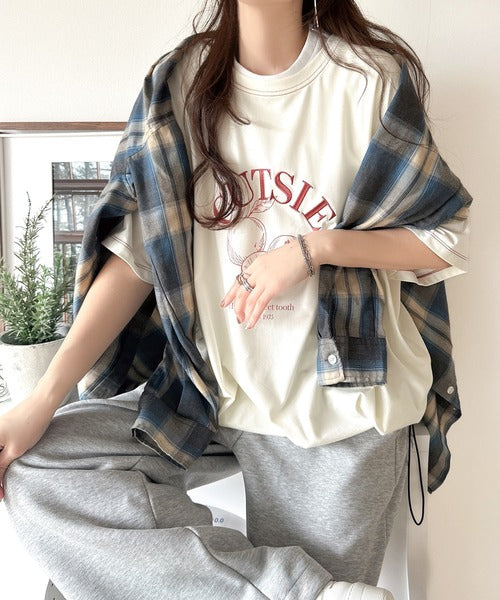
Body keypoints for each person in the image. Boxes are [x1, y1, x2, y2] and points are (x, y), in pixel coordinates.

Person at [0, 1, 471, 599]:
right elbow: (140, 255)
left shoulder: (366, 80)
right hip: (208, 394)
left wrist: (313, 249)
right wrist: (43, 398)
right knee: (41, 466)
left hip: (339, 409)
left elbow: (441, 237)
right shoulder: (179, 83)